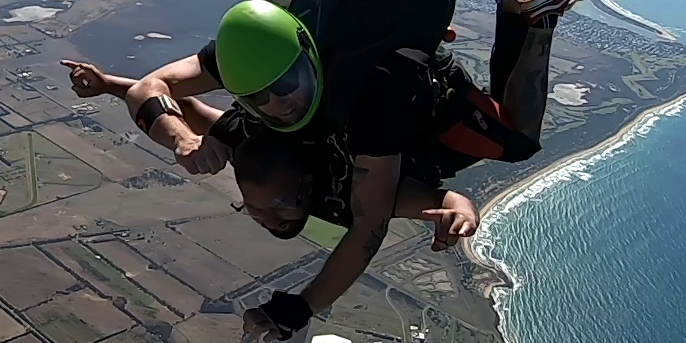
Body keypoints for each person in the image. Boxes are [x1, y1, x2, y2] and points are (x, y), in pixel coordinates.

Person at [101, 0, 599, 342]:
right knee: (509, 138)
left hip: (406, 93)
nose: (277, 104)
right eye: (256, 97)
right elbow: (154, 89)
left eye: (285, 84)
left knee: (517, 140)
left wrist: (181, 137)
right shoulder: (250, 65)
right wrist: (180, 136)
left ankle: (530, 19)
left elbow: (369, 227)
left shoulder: (330, 95)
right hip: (403, 87)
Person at [63, 59, 482, 251]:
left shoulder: (239, 144)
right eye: (281, 210)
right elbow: (443, 201)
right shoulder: (344, 191)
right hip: (382, 86)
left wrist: (111, 87)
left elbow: (169, 101)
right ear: (304, 191)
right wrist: (460, 212)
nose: (264, 211)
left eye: (255, 211)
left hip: (306, 64)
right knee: (511, 140)